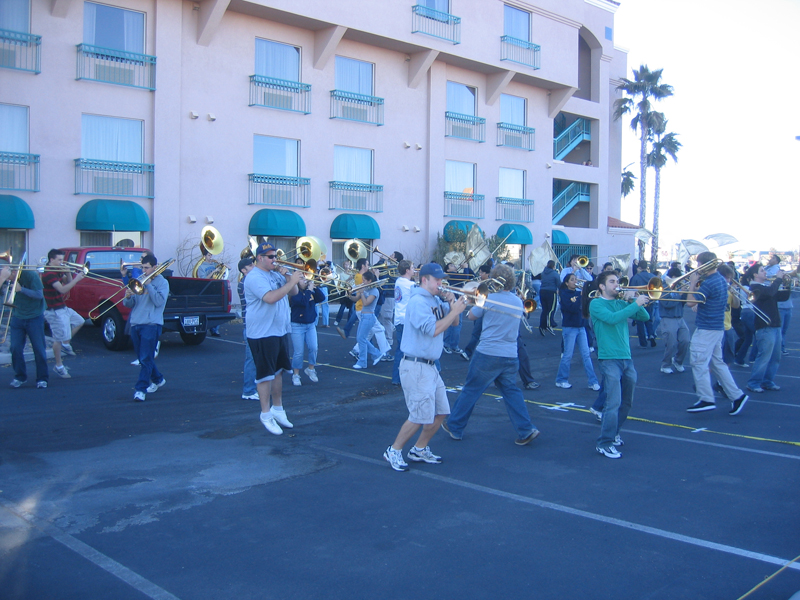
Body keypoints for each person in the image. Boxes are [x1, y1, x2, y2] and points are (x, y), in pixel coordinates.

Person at [442, 264, 540, 446]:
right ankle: (526, 429)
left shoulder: (488, 299)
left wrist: (476, 297)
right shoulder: (518, 301)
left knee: (471, 389)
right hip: (510, 355)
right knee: (511, 392)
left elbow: (471, 316)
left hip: (488, 353)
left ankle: (455, 426)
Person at [384, 263, 467, 472]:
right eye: (436, 280)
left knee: (441, 412)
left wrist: (452, 304)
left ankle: (419, 449)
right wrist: (452, 310)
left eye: (441, 280)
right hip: (416, 365)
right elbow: (434, 329)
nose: (441, 283)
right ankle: (394, 450)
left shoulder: (435, 300)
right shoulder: (418, 302)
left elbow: (454, 323)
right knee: (419, 415)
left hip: (430, 366)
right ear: (424, 280)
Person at [585, 271, 649, 458]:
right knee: (613, 403)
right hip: (609, 358)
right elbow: (613, 319)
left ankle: (614, 434)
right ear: (602, 287)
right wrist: (635, 304)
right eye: (612, 282)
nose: (617, 284)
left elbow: (644, 317)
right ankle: (604, 443)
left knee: (626, 402)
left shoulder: (621, 303)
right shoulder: (596, 304)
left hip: (626, 358)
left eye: (617, 281)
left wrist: (632, 301)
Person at [244, 243, 305, 434]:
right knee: (265, 375)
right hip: (262, 332)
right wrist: (290, 282)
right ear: (259, 258)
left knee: (279, 371)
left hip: (279, 330)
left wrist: (289, 278)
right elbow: (270, 298)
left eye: (275, 256)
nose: (274, 260)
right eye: (270, 257)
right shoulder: (254, 276)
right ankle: (265, 414)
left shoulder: (275, 274)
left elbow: (294, 293)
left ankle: (277, 409)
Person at [685, 252, 749, 415]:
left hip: (707, 329)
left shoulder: (710, 282)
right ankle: (737, 396)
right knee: (717, 364)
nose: (697, 268)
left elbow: (690, 302)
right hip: (717, 328)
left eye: (698, 264)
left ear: (703, 265)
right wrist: (697, 287)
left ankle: (706, 398)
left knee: (698, 362)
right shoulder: (720, 279)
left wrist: (692, 285)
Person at [122, 254, 168, 402]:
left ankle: (140, 389)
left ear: (155, 267)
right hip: (136, 323)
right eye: (142, 267)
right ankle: (158, 379)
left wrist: (149, 284)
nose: (144, 270)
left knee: (145, 357)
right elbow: (129, 304)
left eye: (147, 268)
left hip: (151, 324)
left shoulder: (162, 283)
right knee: (144, 359)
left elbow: (159, 302)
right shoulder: (139, 280)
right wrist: (128, 296)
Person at [2, 265, 49, 389]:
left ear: (14, 272)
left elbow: (39, 295)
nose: (9, 280)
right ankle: (20, 376)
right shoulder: (7, 279)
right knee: (15, 348)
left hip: (34, 316)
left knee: (39, 349)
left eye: (9, 277)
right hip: (17, 316)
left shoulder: (30, 275)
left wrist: (20, 289)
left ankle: (42, 378)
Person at [41, 249, 85, 379]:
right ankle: (59, 366)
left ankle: (66, 343)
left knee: (80, 321)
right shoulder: (48, 274)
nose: (62, 262)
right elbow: (63, 289)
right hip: (53, 310)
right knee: (58, 339)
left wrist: (69, 273)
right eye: (59, 260)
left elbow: (67, 281)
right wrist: (77, 279)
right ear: (51, 260)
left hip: (62, 307)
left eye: (62, 260)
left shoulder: (57, 270)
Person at [746, 266, 790, 392]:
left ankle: (768, 381)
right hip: (765, 326)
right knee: (764, 357)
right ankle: (753, 383)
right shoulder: (755, 288)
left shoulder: (766, 287)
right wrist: (778, 279)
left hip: (775, 325)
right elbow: (771, 292)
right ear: (755, 275)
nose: (765, 272)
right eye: (762, 271)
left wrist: (787, 284)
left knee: (775, 358)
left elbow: (783, 297)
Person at [555, 273, 600, 390]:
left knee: (586, 355)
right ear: (566, 283)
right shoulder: (564, 294)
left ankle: (593, 381)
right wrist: (581, 296)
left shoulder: (578, 293)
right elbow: (572, 308)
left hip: (581, 327)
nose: (575, 281)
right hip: (569, 328)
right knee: (567, 355)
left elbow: (585, 307)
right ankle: (561, 379)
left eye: (576, 279)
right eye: (572, 280)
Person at [289, 275, 324, 385]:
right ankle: (296, 374)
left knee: (314, 348)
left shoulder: (310, 291)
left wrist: (315, 288)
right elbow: (303, 302)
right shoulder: (294, 293)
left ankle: (311, 369)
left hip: (310, 324)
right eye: (302, 279)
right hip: (297, 325)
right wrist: (309, 290)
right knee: (298, 352)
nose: (305, 281)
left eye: (305, 278)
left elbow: (321, 298)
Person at [657, 267, 690, 374]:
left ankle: (678, 361)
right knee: (670, 344)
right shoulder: (663, 288)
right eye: (679, 278)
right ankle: (665, 365)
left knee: (685, 340)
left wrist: (686, 293)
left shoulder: (679, 287)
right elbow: (667, 304)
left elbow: (684, 303)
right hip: (668, 318)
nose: (680, 281)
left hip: (680, 318)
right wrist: (679, 295)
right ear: (673, 277)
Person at [351, 270, 386, 369]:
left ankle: (363, 361)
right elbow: (355, 299)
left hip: (369, 317)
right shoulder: (365, 289)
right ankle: (376, 354)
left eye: (364, 280)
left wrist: (361, 293)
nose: (362, 282)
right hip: (363, 316)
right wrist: (349, 295)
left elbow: (366, 303)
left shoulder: (374, 291)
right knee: (360, 338)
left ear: (370, 280)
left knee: (361, 339)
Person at [237, 257, 258, 400]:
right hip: (251, 326)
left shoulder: (253, 280)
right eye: (250, 266)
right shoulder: (244, 284)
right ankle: (248, 390)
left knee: (256, 359)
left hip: (256, 325)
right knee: (251, 359)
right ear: (244, 270)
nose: (254, 266)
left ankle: (253, 388)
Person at [391, 260, 415, 386]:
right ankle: (402, 377)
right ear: (407, 270)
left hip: (399, 318)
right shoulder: (409, 284)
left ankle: (396, 377)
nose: (414, 269)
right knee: (407, 349)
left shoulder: (399, 281)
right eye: (412, 267)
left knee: (401, 349)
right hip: (406, 319)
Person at [764, 255, 792, 355]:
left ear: (776, 260)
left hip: (787, 306)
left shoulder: (776, 269)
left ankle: (781, 347)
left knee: (783, 330)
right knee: (779, 330)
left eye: (771, 258)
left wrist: (788, 283)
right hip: (779, 306)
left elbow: (787, 294)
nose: (769, 260)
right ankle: (779, 348)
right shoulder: (768, 269)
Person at [443, 261, 472, 359]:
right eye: (451, 265)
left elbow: (472, 275)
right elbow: (465, 277)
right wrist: (465, 268)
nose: (454, 265)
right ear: (447, 270)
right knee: (457, 325)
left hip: (457, 300)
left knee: (454, 324)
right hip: (454, 301)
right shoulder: (450, 275)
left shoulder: (456, 274)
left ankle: (447, 343)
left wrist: (467, 267)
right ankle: (453, 345)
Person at [629, 260, 657, 348]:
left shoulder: (636, 277)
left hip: (639, 301)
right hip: (650, 300)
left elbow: (632, 290)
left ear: (639, 268)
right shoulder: (653, 276)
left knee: (640, 321)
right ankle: (651, 335)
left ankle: (643, 342)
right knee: (649, 320)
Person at [196, 247, 221, 336]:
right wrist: (214, 271)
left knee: (218, 309)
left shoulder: (214, 264)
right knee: (209, 309)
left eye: (211, 255)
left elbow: (228, 269)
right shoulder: (201, 267)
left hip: (216, 288)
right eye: (209, 255)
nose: (210, 257)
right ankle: (209, 328)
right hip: (207, 289)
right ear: (204, 256)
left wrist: (223, 265)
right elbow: (203, 279)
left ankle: (215, 329)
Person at [539, 260, 560, 335]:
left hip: (542, 291)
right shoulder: (555, 273)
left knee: (544, 309)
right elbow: (559, 283)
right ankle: (549, 324)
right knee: (551, 309)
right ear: (554, 266)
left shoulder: (543, 273)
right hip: (551, 292)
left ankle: (542, 325)